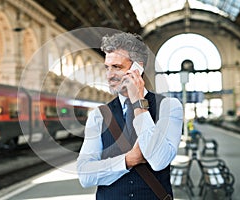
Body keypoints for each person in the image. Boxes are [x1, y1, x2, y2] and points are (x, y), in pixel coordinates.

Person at [77, 32, 183, 199]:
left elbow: (159, 160)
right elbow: (85, 175)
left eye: (117, 67)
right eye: (107, 67)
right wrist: (128, 160)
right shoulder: (98, 115)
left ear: (137, 68)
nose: (109, 75)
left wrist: (138, 103)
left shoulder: (169, 107)